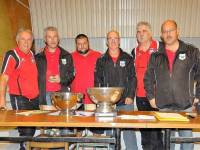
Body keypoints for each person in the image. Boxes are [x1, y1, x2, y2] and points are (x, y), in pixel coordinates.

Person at [144, 19, 200, 150]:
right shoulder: (155, 56)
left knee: (187, 142)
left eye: (171, 30)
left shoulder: (191, 52)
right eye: (165, 31)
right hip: (164, 107)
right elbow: (148, 78)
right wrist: (151, 98)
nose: (168, 34)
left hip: (185, 106)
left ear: (178, 32)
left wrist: (197, 96)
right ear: (161, 35)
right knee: (167, 143)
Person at [95, 30, 138, 150]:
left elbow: (132, 79)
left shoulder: (128, 58)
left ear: (119, 41)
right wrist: (101, 100)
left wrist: (130, 96)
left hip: (126, 101)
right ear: (107, 42)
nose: (113, 41)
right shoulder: (101, 60)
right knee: (110, 133)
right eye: (110, 38)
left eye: (115, 38)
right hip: (108, 103)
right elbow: (97, 81)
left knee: (129, 132)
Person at [0, 28, 39, 150]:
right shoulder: (12, 55)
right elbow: (4, 78)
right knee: (26, 132)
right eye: (23, 39)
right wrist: (1, 100)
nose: (26, 43)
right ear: (17, 41)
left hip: (34, 99)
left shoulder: (32, 55)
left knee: (31, 131)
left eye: (29, 40)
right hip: (20, 99)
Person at [132, 21, 163, 150]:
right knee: (145, 132)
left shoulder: (160, 48)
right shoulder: (134, 51)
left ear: (150, 33)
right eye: (138, 31)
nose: (141, 34)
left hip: (156, 97)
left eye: (144, 31)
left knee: (156, 134)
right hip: (140, 98)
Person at [35, 26, 74, 106]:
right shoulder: (38, 57)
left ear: (58, 39)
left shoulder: (67, 55)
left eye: (55, 37)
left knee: (62, 118)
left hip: (62, 94)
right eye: (49, 37)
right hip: (45, 95)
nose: (53, 40)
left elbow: (72, 75)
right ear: (45, 39)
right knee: (48, 118)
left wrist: (61, 79)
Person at [71, 34, 101, 111]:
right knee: (77, 122)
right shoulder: (70, 57)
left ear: (88, 43)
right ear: (76, 45)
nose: (82, 46)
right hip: (76, 99)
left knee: (92, 122)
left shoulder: (98, 56)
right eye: (79, 44)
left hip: (93, 98)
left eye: (84, 43)